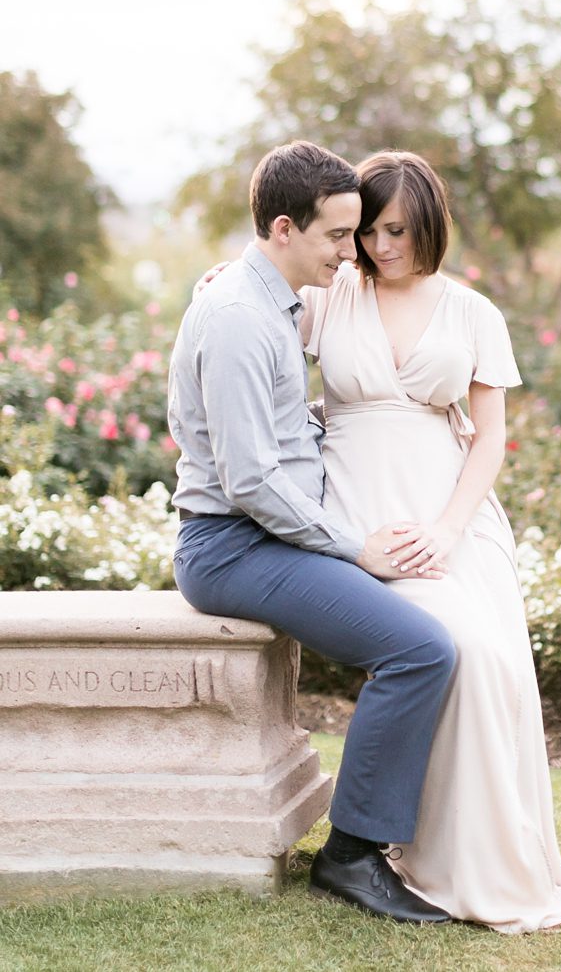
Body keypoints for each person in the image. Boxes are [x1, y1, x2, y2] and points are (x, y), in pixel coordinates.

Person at [298, 147, 561, 932]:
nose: (378, 246)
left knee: (493, 657)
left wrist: (449, 527)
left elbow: (490, 438)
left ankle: (477, 855)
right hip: (364, 513)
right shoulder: (334, 294)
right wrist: (217, 282)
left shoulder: (473, 312)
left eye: (396, 230)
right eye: (368, 231)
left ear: (429, 222)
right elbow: (260, 313)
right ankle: (397, 847)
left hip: (450, 512)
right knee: (450, 646)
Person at [169, 140, 457, 924]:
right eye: (338, 235)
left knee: (438, 626)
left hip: (265, 535)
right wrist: (351, 544)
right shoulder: (236, 316)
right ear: (286, 227)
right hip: (232, 545)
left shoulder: (274, 303)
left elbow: (279, 429)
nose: (352, 251)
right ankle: (352, 855)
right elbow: (249, 479)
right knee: (421, 649)